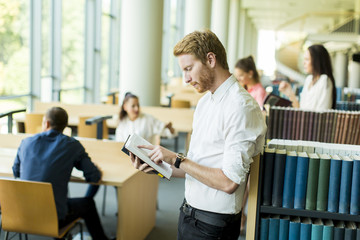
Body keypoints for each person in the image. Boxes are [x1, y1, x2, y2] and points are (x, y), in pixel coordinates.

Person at [129, 29, 267, 240]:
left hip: (213, 226)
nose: (185, 79)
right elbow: (196, 167)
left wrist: (175, 158)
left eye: (189, 68)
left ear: (210, 59)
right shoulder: (204, 103)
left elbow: (229, 182)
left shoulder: (241, 107)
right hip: (189, 214)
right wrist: (158, 168)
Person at [12, 107, 114, 240]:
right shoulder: (72, 145)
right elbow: (93, 176)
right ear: (65, 126)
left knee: (55, 199)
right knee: (88, 204)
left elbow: (16, 172)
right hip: (53, 218)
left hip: (22, 215)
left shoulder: (26, 142)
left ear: (46, 123)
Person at [85, 92, 177, 198]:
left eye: (138, 105)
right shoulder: (122, 122)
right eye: (133, 106)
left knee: (120, 177)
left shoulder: (148, 119)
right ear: (125, 107)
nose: (137, 108)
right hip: (124, 161)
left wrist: (169, 128)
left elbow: (170, 134)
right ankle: (90, 202)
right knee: (100, 171)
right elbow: (118, 144)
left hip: (143, 163)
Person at [279, 44, 336, 110]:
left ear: (316, 61)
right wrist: (289, 92)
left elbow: (322, 114)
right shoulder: (309, 80)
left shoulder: (324, 80)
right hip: (304, 120)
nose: (304, 63)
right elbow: (300, 110)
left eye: (307, 59)